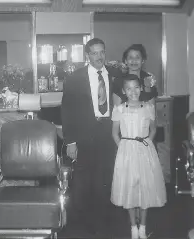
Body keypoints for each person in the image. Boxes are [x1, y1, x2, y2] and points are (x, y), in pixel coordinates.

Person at [61, 38, 117, 233]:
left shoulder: (113, 75)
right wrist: (70, 142)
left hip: (108, 134)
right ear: (87, 56)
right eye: (94, 53)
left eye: (102, 52)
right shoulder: (75, 78)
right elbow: (67, 111)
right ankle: (80, 224)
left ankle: (102, 221)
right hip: (84, 135)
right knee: (83, 179)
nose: (99, 56)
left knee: (104, 176)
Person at [111, 74, 166, 239]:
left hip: (144, 150)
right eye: (128, 88)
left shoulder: (148, 107)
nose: (133, 91)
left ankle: (143, 226)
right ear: (123, 91)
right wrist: (123, 147)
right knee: (130, 187)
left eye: (136, 87)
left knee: (145, 187)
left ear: (141, 88)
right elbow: (114, 133)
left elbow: (154, 129)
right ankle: (133, 228)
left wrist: (147, 142)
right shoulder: (119, 109)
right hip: (127, 152)